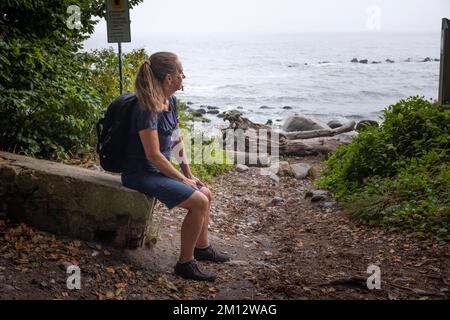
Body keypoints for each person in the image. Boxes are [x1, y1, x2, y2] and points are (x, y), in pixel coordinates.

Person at [121, 52, 229, 282]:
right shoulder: (147, 108)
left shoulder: (171, 101)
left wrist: (188, 173)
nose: (184, 76)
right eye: (181, 72)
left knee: (205, 193)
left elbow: (176, 138)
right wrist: (181, 179)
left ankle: (202, 247)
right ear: (169, 78)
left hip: (158, 170)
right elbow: (153, 156)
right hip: (140, 173)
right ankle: (185, 263)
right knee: (198, 201)